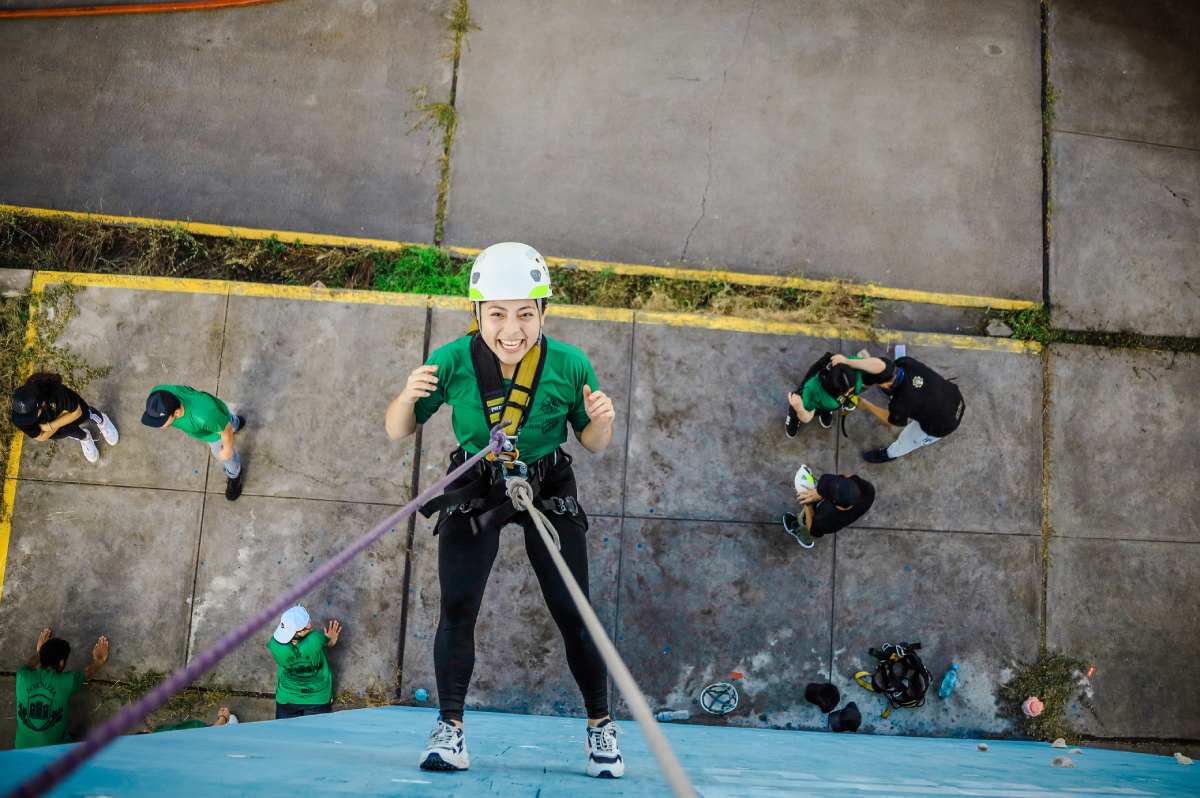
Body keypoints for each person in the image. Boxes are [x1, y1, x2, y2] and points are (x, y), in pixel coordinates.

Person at [385, 242, 623, 778]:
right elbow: (398, 429)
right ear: (477, 314)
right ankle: (450, 729)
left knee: (573, 610)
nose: (510, 329)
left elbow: (592, 442)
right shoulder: (451, 361)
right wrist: (405, 397)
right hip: (477, 479)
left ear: (543, 313)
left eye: (524, 313)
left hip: (545, 481)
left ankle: (600, 726)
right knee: (458, 608)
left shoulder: (568, 364)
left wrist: (600, 419)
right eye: (496, 314)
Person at [827, 351, 966, 463]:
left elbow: (891, 420)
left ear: (886, 385)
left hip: (944, 424)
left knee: (908, 439)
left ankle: (889, 454)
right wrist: (850, 361)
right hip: (953, 396)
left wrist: (866, 405)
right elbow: (881, 367)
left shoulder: (900, 404)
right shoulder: (905, 362)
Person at [141, 384, 246, 500]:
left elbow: (226, 430)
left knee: (227, 456)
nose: (157, 426)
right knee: (226, 421)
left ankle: (235, 475)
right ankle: (236, 422)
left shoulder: (203, 417)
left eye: (160, 421)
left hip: (214, 433)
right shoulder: (158, 393)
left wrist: (227, 449)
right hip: (215, 416)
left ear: (176, 413)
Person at [14, 628, 109, 749]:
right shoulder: (68, 681)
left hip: (21, 749)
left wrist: (40, 652)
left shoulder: (22, 675)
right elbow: (88, 673)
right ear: (61, 662)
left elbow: (29, 665)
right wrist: (99, 661)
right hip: (55, 752)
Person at [10, 372, 119, 464]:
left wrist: (49, 426)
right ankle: (85, 437)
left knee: (87, 414)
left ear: (42, 403)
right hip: (58, 426)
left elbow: (77, 412)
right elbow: (41, 437)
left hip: (71, 415)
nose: (31, 420)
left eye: (33, 414)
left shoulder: (57, 393)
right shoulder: (20, 418)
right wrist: (60, 420)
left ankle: (103, 421)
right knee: (72, 432)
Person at [785, 352, 889, 435]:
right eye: (848, 391)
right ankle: (793, 416)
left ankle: (827, 410)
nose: (851, 392)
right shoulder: (812, 391)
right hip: (817, 401)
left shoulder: (851, 366)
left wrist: (847, 361)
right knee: (798, 408)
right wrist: (799, 408)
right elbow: (807, 417)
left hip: (829, 403)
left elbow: (881, 366)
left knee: (828, 407)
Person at [267, 605, 341, 720]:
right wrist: (330, 639)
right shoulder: (315, 639)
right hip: (318, 697)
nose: (310, 624)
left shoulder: (274, 645)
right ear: (300, 632)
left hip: (287, 697)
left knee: (285, 735)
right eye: (307, 624)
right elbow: (329, 643)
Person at [782, 472, 875, 548]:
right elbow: (848, 475)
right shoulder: (868, 489)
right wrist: (819, 492)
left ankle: (804, 537)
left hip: (816, 524)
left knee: (805, 523)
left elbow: (813, 529)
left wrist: (807, 504)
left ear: (831, 501)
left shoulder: (829, 519)